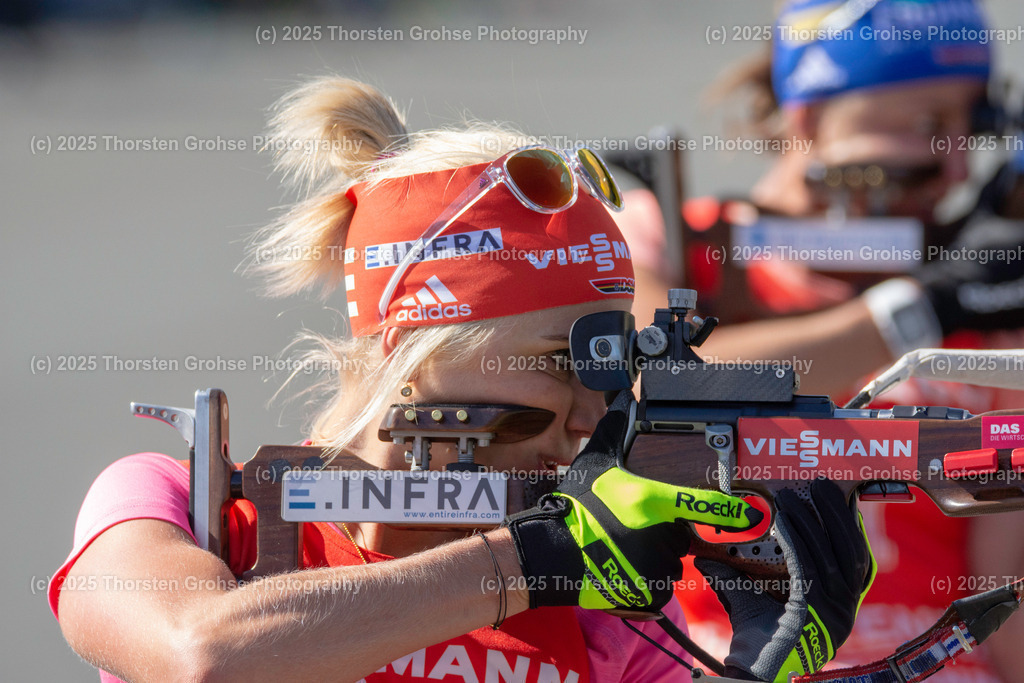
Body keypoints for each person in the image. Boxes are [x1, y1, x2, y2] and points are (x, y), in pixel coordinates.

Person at [48, 76, 872, 683]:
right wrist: (531, 557)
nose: (594, 413)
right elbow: (202, 650)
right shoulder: (178, 502)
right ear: (411, 348)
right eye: (561, 361)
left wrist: (759, 664)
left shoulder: (590, 614)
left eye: (612, 370)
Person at [614, 1, 1024, 680]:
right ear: (808, 121)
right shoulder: (666, 239)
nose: (956, 172)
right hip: (721, 659)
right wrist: (924, 308)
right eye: (927, 129)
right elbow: (653, 384)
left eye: (971, 130)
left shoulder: (992, 284)